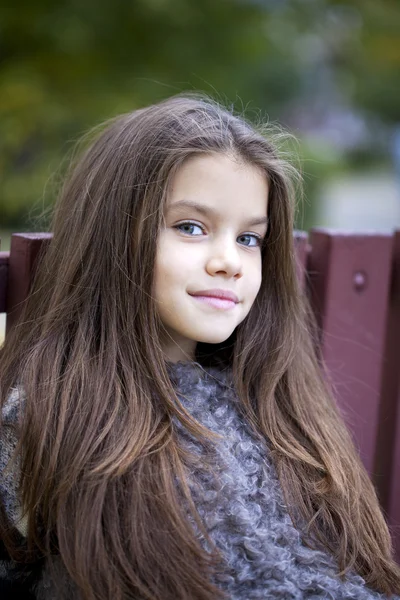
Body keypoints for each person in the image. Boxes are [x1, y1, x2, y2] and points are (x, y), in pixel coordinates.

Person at [0, 94, 399, 600]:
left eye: (250, 239)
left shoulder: (280, 407)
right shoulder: (51, 415)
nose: (228, 261)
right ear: (112, 235)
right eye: (191, 227)